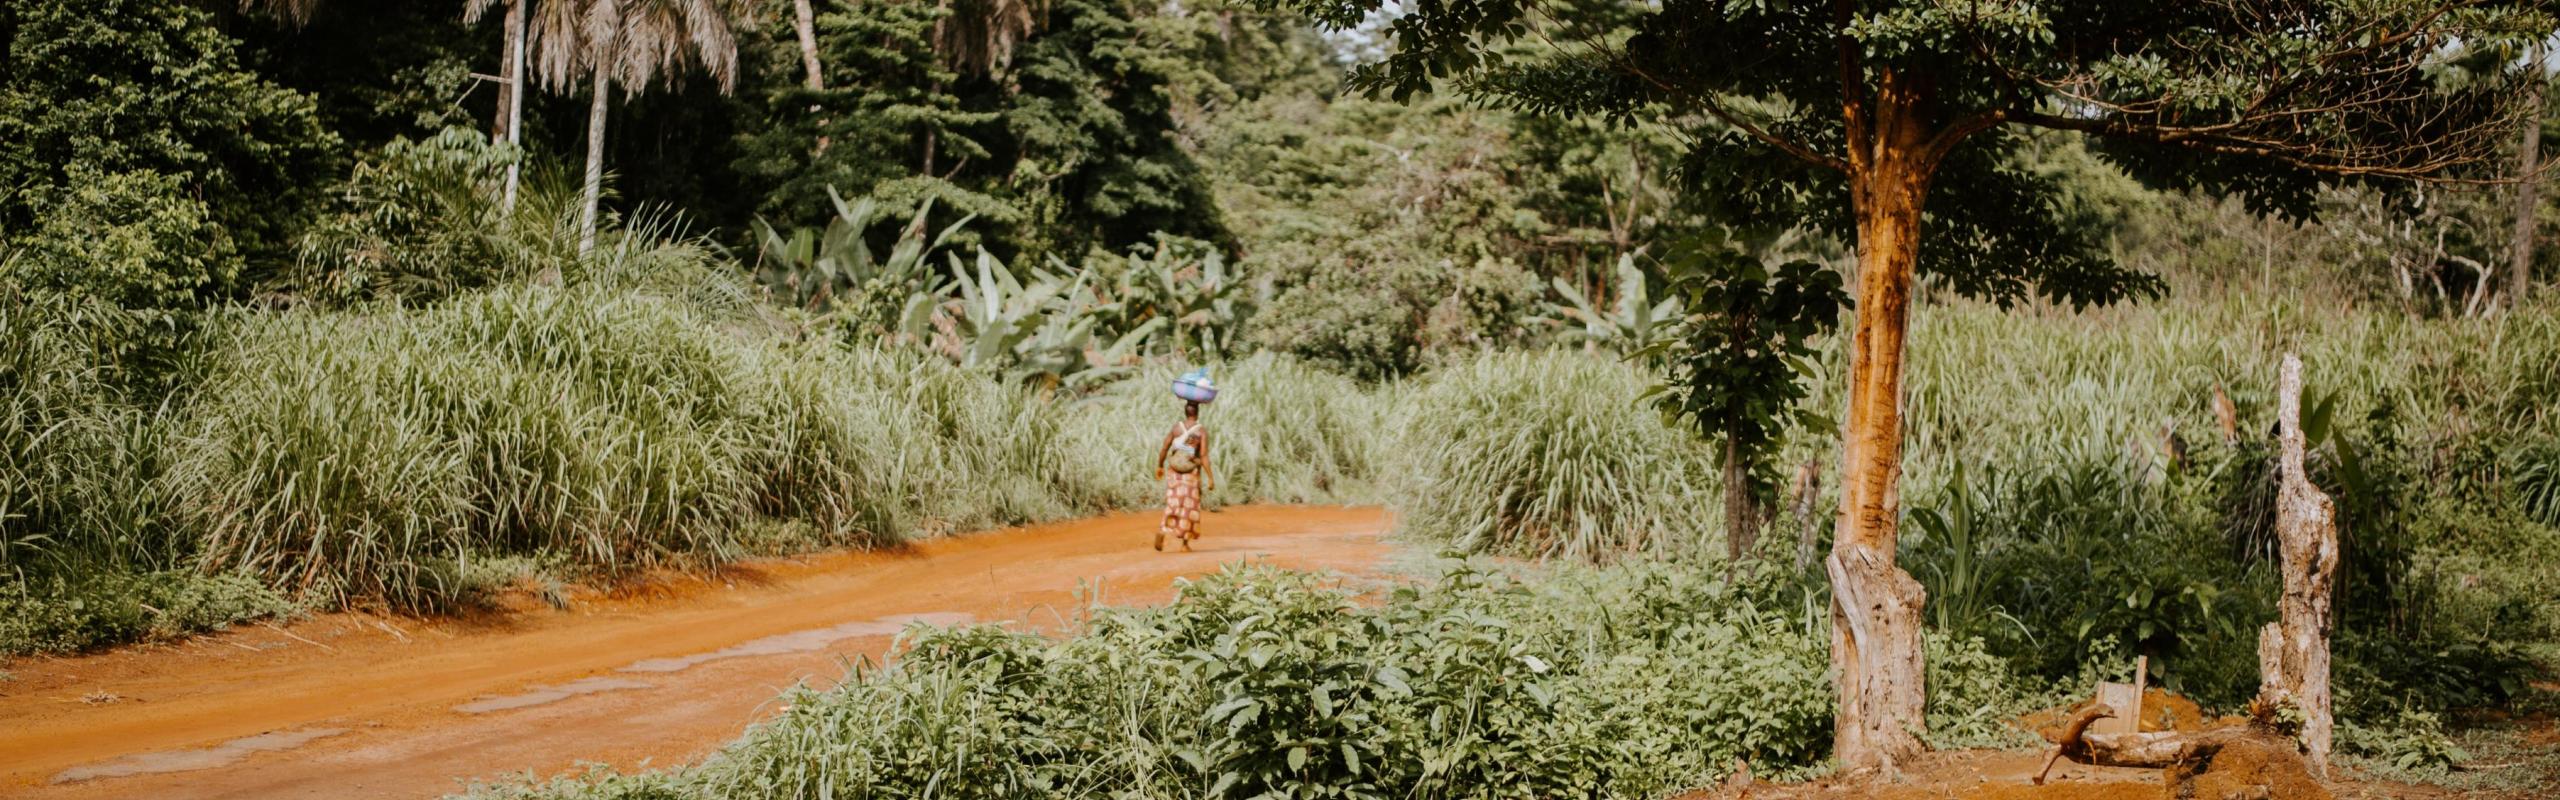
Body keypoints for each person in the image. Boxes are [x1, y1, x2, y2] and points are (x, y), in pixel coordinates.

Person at [1154, 400, 1213, 551]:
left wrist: (1160, 465)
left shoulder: (1176, 428)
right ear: (1197, 413)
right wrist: (1210, 478)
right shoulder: (1200, 432)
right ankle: (1185, 544)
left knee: (1172, 503)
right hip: (1190, 475)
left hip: (1174, 472)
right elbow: (1204, 456)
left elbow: (1164, 448)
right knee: (1189, 507)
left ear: (1186, 412)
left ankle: (1163, 529)